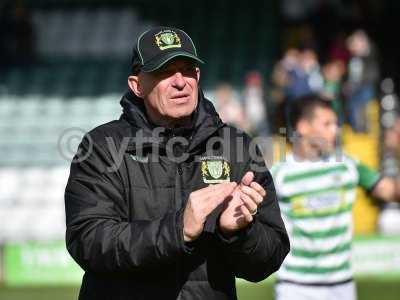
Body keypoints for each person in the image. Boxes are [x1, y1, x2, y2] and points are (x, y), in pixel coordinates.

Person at [65, 26, 289, 300]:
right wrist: (178, 230)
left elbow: (270, 257)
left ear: (198, 76)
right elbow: (88, 241)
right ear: (137, 85)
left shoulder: (237, 146)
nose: (180, 82)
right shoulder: (101, 146)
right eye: (164, 72)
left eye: (188, 70)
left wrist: (238, 233)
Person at [272, 95, 400, 300]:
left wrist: (396, 151)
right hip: (296, 286)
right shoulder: (278, 174)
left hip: (342, 286)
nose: (336, 130)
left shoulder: (348, 165)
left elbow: (391, 191)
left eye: (336, 123)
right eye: (327, 124)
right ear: (303, 126)